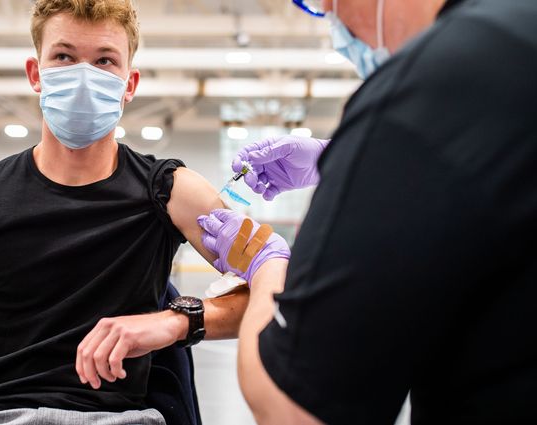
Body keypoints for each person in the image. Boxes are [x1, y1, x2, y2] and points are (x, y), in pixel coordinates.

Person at [0, 1, 291, 424]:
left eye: (105, 60)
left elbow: (272, 286)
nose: (84, 76)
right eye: (64, 57)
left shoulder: (169, 191)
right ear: (36, 74)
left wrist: (178, 321)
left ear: (129, 83)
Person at [199, 0, 537, 423]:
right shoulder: (517, 35)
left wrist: (268, 263)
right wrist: (349, 159)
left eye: (325, 4)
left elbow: (292, 408)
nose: (331, 20)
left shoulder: (423, 83)